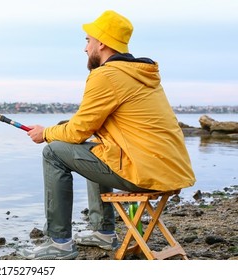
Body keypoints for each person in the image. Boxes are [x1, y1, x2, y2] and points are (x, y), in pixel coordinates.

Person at [19, 10, 196, 260]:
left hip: (147, 173)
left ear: (101, 43)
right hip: (170, 170)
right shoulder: (138, 73)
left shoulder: (106, 75)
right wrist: (63, 130)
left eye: (87, 40)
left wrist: (46, 133)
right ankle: (103, 232)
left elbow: (77, 130)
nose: (85, 48)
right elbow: (85, 128)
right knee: (95, 147)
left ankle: (59, 242)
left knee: (52, 153)